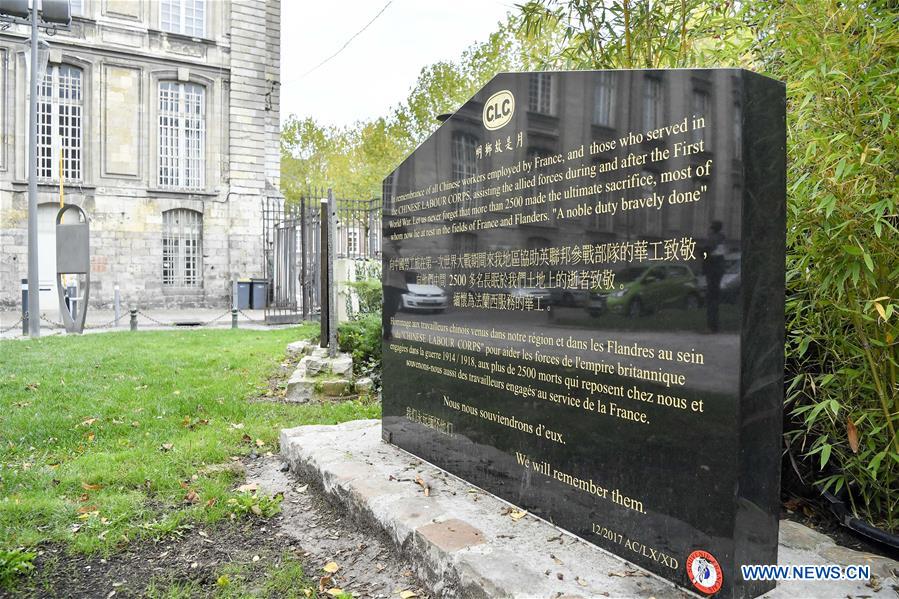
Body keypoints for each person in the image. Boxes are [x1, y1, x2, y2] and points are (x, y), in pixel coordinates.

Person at [702, 220, 726, 332]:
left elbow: (705, 252)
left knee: (710, 299)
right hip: (719, 271)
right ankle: (714, 326)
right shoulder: (722, 240)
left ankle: (710, 326)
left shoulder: (712, 239)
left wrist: (703, 256)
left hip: (712, 271)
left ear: (712, 228)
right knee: (715, 299)